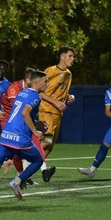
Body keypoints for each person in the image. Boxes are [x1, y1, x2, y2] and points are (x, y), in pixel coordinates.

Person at [0, 69, 50, 200]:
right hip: (20, 138)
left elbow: (20, 113)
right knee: (38, 160)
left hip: (6, 135)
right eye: (45, 81)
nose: (48, 84)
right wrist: (35, 131)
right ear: (36, 83)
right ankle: (17, 181)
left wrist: (36, 123)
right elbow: (24, 113)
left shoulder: (22, 92)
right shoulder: (36, 97)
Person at [38, 46, 76, 182]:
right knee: (44, 143)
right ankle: (24, 169)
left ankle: (37, 170)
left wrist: (69, 97)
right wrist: (55, 102)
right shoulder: (50, 71)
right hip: (46, 111)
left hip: (57, 114)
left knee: (50, 146)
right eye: (70, 56)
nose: (73, 59)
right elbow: (39, 91)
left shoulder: (69, 74)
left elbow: (62, 92)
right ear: (62, 56)